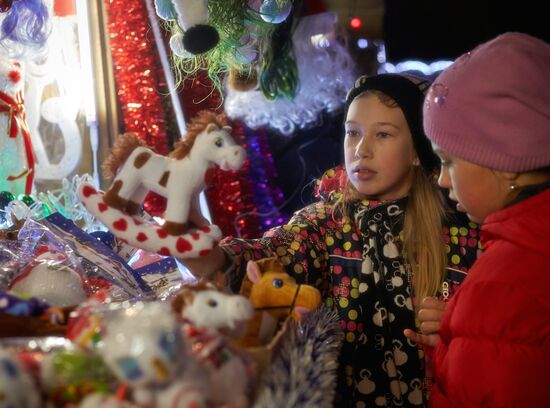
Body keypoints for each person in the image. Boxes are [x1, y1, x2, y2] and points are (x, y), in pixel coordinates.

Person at [184, 73, 479, 407]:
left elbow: (503, 335)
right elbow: (267, 258)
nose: (361, 150)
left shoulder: (461, 233)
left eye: (383, 134)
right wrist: (199, 251)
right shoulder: (326, 224)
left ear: (416, 151)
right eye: (352, 132)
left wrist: (459, 325)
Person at [405, 32, 550, 407]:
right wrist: (459, 344)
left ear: (506, 160)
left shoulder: (506, 282)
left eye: (450, 161)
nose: (440, 179)